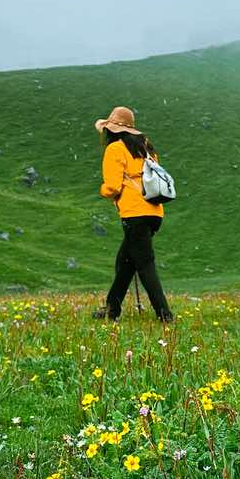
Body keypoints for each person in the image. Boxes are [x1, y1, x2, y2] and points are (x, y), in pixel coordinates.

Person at [92, 105, 174, 322]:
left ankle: (165, 315)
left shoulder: (115, 149)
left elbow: (112, 187)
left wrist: (102, 190)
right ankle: (111, 308)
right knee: (125, 262)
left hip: (134, 213)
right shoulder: (146, 148)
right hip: (154, 211)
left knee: (145, 264)